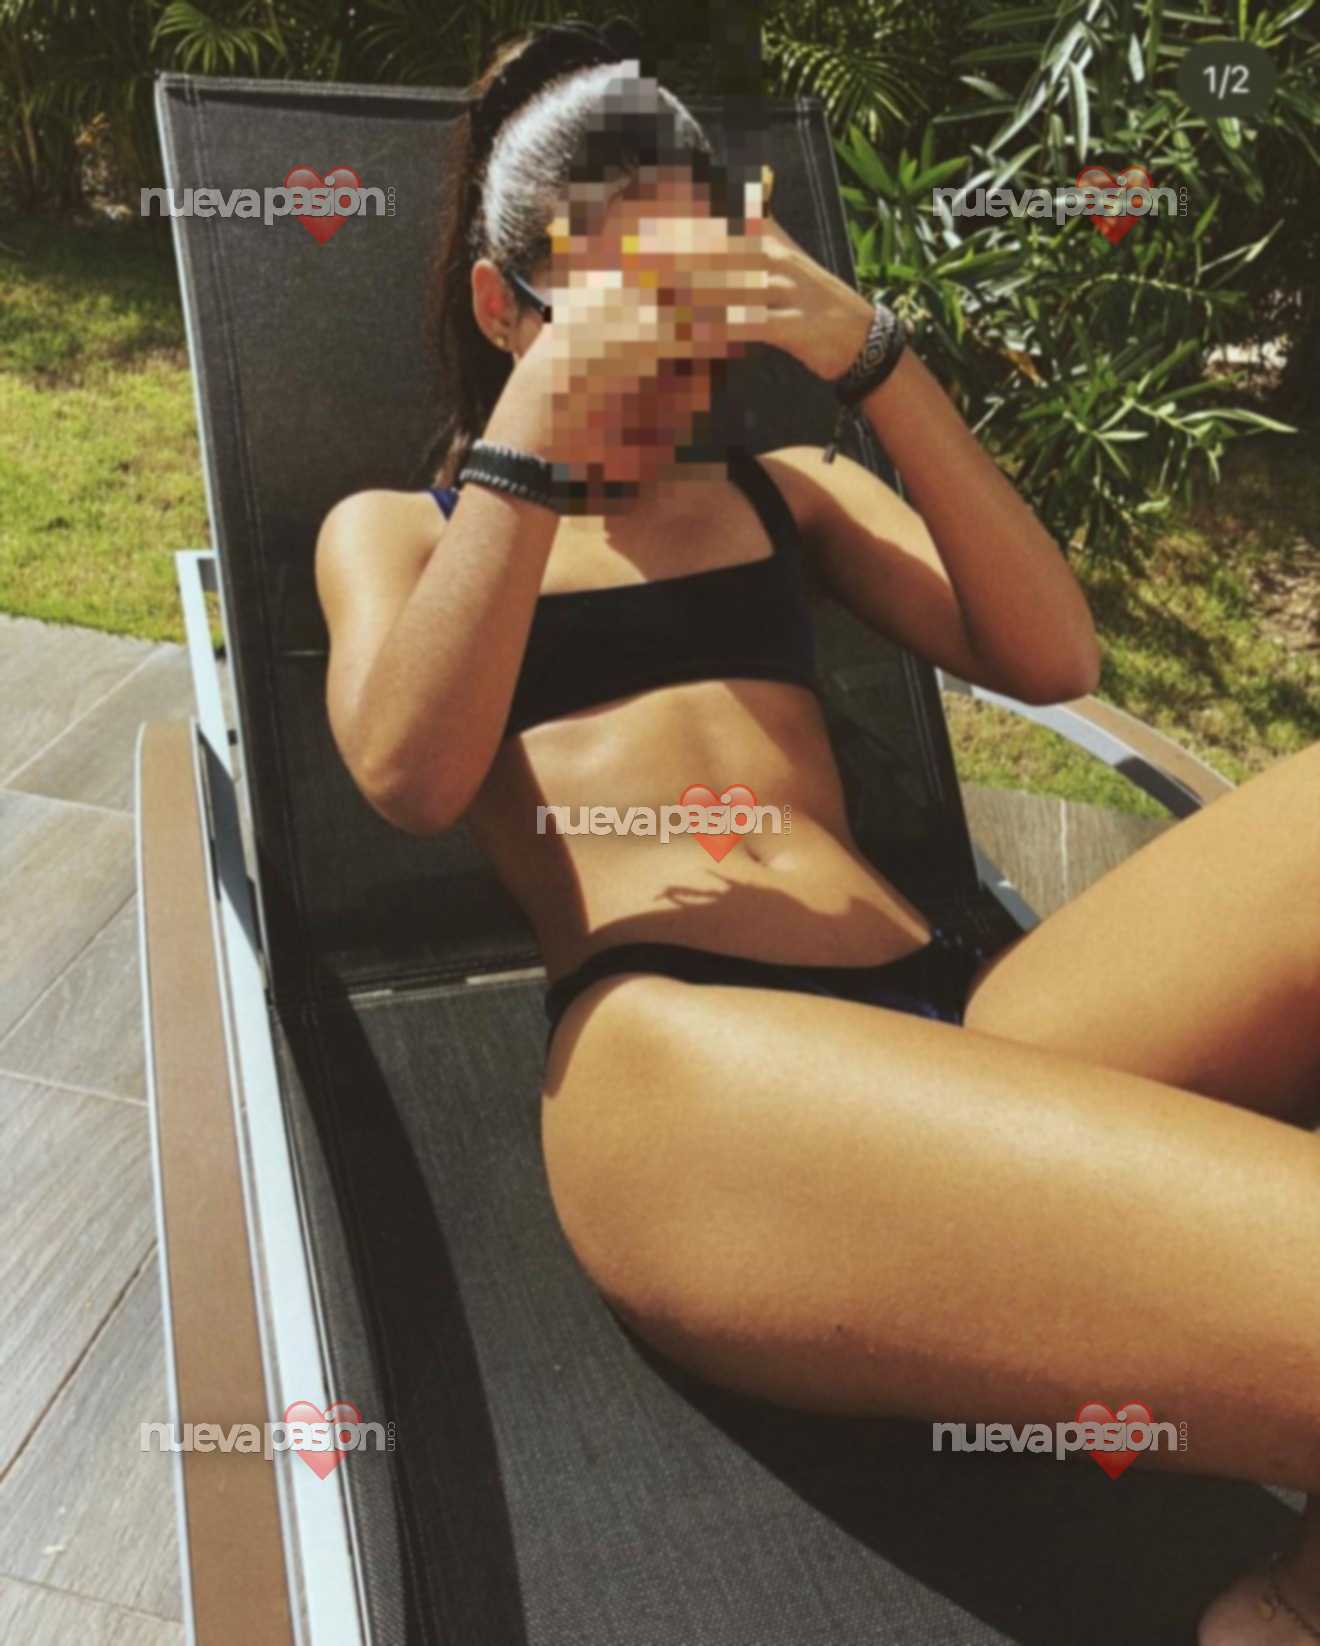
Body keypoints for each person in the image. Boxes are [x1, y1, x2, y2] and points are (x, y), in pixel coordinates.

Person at [314, 22, 1320, 1644]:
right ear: (505, 309)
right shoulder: (408, 533)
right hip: (693, 1073)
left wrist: (866, 350)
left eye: (698, 324)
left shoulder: (788, 488)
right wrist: (544, 410)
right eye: (629, 321)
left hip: (957, 1027)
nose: (675, 373)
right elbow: (411, 772)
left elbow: (1053, 655)